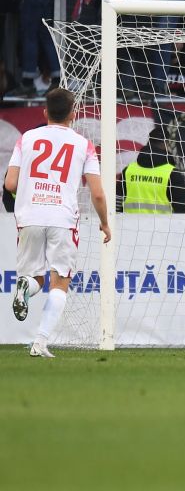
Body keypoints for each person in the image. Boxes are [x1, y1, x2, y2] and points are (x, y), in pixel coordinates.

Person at [6, 89, 112, 358]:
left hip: (29, 216)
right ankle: (40, 342)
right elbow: (97, 193)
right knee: (60, 281)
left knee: (35, 277)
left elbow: (9, 184)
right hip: (62, 218)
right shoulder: (83, 145)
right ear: (73, 114)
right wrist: (105, 223)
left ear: (45, 112)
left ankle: (25, 288)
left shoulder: (26, 138)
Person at [117, 126, 185, 214]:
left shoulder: (128, 171)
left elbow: (117, 204)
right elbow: (182, 211)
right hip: (162, 226)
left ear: (149, 142)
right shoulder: (172, 174)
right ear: (166, 143)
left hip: (129, 225)